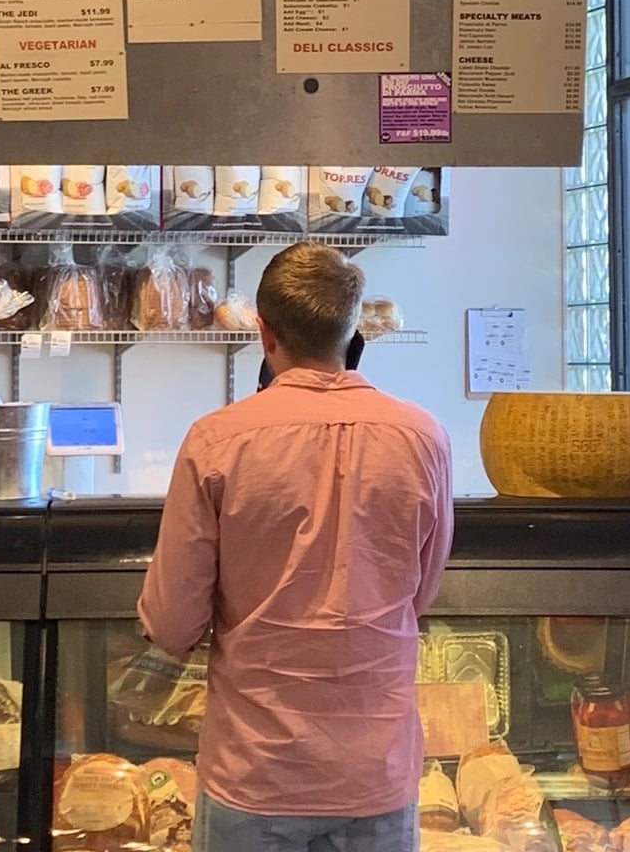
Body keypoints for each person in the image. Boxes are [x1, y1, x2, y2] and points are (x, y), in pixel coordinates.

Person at [138, 242, 454, 852]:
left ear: (264, 332)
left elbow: (173, 621)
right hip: (376, 771)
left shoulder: (217, 441)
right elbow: (421, 593)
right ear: (353, 328)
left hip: (258, 771)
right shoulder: (424, 437)